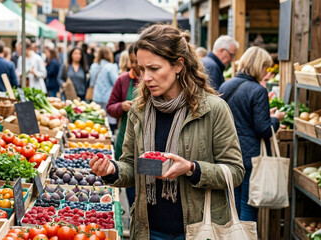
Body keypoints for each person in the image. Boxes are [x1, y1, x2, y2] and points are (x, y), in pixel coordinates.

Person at [89, 24, 245, 240]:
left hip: (199, 230)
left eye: (154, 68)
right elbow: (132, 166)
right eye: (142, 69)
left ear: (178, 65)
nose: (146, 77)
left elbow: (235, 171)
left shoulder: (212, 109)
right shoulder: (139, 110)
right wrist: (111, 170)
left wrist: (191, 168)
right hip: (149, 230)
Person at [218, 46, 285, 221]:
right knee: (248, 205)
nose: (266, 72)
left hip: (227, 154)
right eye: (265, 68)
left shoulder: (226, 85)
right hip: (249, 158)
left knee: (231, 205)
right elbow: (263, 129)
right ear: (258, 65)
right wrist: (276, 119)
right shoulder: (258, 90)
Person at [106, 44, 140, 209]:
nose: (134, 66)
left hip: (148, 146)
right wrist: (122, 107)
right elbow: (110, 108)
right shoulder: (123, 80)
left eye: (137, 62)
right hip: (126, 139)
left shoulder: (154, 82)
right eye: (132, 62)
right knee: (130, 182)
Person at [89, 46, 119, 133]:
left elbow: (91, 83)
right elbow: (116, 82)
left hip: (96, 97)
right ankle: (110, 139)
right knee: (110, 121)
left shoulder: (94, 66)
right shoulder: (111, 67)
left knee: (98, 121)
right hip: (108, 97)